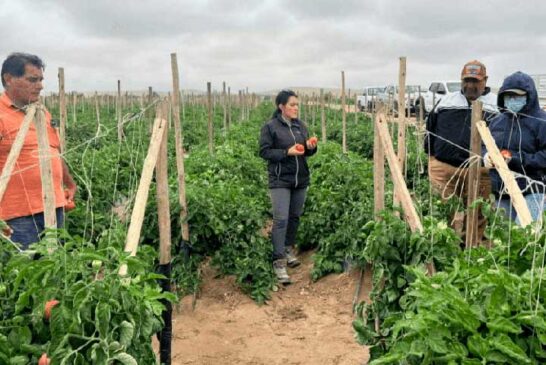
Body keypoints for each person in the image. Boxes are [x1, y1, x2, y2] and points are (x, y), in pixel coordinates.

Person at [0, 52, 77, 249]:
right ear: (9, 79)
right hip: (17, 214)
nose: (40, 85)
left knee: (55, 268)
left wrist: (68, 182)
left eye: (41, 79)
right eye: (32, 80)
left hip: (53, 205)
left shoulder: (41, 111)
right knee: (23, 272)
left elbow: (54, 150)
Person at [425, 60, 498, 246]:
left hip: (480, 171)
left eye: (475, 81)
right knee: (441, 210)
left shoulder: (496, 105)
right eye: (466, 80)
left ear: (485, 81)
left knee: (477, 213)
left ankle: (471, 249)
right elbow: (430, 128)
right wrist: (432, 156)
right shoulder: (447, 101)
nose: (470, 85)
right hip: (445, 168)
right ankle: (443, 248)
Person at [259, 89, 317, 284]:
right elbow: (265, 152)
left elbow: (306, 154)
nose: (295, 108)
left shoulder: (301, 126)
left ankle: (288, 248)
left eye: (297, 105)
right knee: (281, 219)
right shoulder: (271, 127)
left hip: (300, 179)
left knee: (294, 217)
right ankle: (279, 261)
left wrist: (310, 147)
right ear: (281, 107)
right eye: (292, 105)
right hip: (280, 180)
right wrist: (286, 152)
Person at [484, 71, 546, 224]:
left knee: (526, 234)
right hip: (502, 190)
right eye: (508, 96)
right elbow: (484, 145)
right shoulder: (497, 122)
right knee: (503, 236)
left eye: (517, 96)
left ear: (529, 96)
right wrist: (486, 156)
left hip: (532, 189)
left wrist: (515, 158)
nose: (512, 100)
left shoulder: (541, 122)